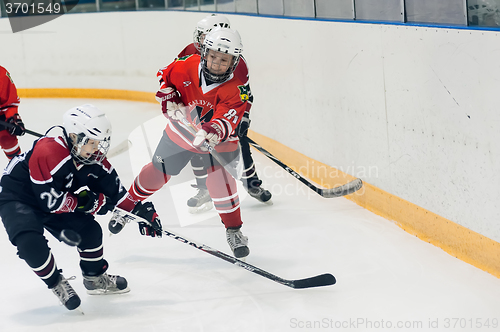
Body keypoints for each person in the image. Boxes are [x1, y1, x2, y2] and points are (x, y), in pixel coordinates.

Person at [0, 104, 163, 311]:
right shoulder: (47, 152)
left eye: (99, 143)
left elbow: (118, 195)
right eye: (92, 143)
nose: (97, 149)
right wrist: (90, 203)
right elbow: (50, 203)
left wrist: (141, 212)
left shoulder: (93, 161)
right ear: (75, 138)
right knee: (29, 242)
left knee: (90, 231)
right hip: (18, 196)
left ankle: (94, 278)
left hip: (54, 197)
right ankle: (56, 282)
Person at [124, 27, 250, 259]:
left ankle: (234, 231)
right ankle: (127, 204)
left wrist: (212, 131)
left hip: (218, 141)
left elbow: (227, 116)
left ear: (234, 62)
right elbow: (165, 77)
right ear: (204, 53)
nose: (216, 63)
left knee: (220, 182)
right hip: (181, 132)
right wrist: (169, 97)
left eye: (224, 60)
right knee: (159, 170)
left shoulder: (236, 86)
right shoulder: (186, 64)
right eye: (212, 56)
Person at [178, 14, 272, 214]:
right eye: (201, 36)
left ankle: (252, 183)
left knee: (240, 143)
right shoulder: (189, 52)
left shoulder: (237, 62)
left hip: (224, 109)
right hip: (198, 108)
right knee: (197, 148)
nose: (199, 40)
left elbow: (244, 94)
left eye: (204, 35)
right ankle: (204, 189)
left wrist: (242, 117)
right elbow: (176, 79)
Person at [0, 65, 26, 159]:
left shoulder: (1, 74)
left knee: (7, 138)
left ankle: (17, 167)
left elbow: (9, 103)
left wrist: (13, 118)